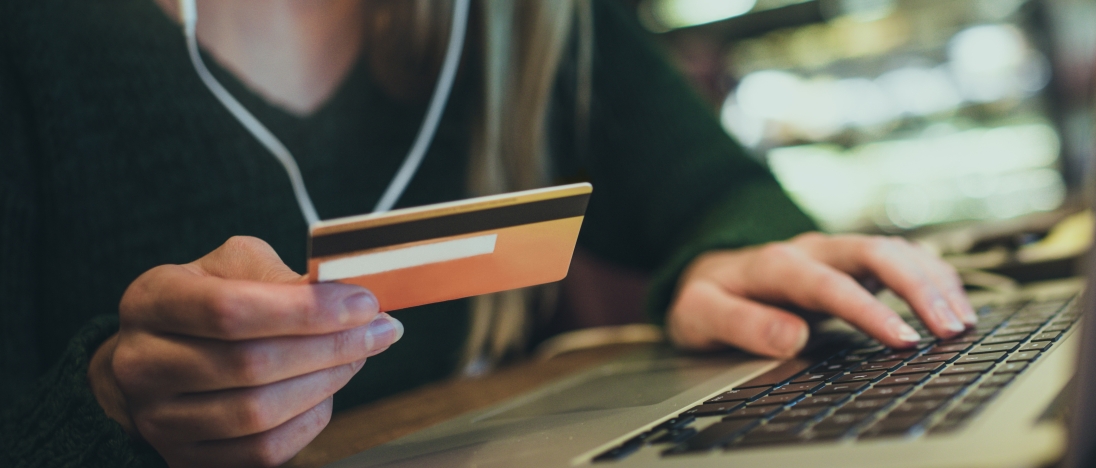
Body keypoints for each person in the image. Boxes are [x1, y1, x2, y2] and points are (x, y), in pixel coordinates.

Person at [0, 0, 975, 466]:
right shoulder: (35, 42)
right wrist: (106, 406)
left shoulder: (524, 18)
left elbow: (718, 192)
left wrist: (721, 257)